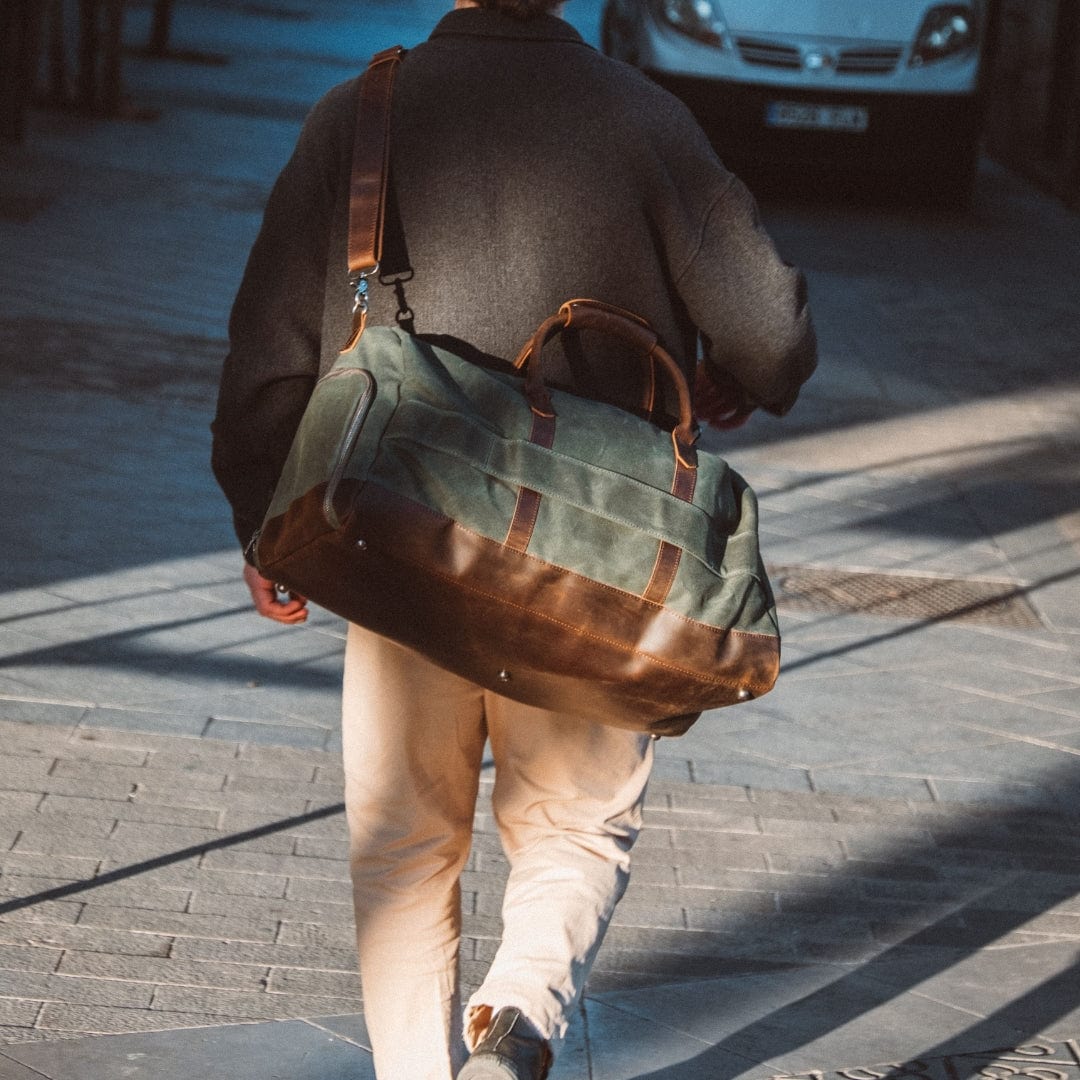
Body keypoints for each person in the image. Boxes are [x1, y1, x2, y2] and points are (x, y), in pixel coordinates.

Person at [211, 1, 817, 1076]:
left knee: (404, 847)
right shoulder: (647, 118)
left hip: (406, 544)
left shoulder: (362, 114)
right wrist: (738, 377)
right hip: (600, 565)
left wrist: (265, 524)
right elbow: (772, 333)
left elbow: (267, 355)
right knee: (576, 830)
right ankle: (522, 1012)